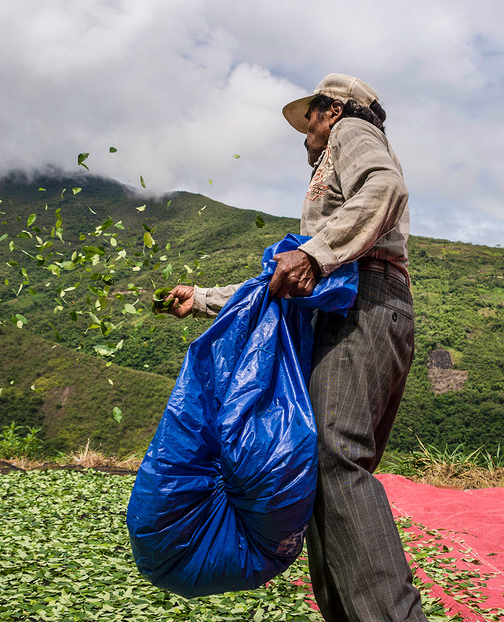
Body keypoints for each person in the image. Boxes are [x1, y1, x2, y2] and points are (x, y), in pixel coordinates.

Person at [163, 73, 425, 621]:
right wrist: (207, 298)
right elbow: (286, 279)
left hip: (365, 303)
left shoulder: (350, 130)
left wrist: (317, 253)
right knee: (322, 470)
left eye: (309, 123)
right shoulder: (328, 182)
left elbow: (386, 188)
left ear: (329, 111)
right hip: (341, 305)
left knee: (335, 455)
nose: (305, 137)